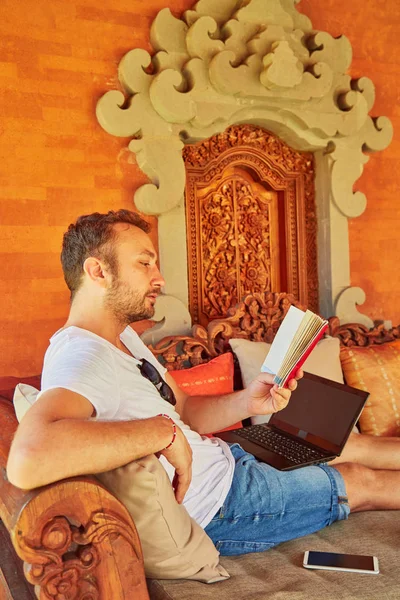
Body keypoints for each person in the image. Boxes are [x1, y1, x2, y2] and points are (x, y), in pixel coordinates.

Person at [7, 209, 400, 556]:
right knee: (359, 481)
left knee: (342, 444)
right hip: (224, 505)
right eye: (144, 263)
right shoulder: (83, 356)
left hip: (228, 459)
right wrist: (163, 434)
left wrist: (249, 402)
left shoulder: (123, 338)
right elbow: (28, 460)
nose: (159, 278)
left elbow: (185, 410)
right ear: (97, 271)